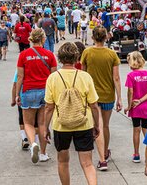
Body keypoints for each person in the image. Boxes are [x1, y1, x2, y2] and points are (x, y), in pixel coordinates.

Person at [44, 42, 101, 185]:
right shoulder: (85, 76)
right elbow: (93, 105)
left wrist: (45, 127)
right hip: (84, 123)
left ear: (60, 58)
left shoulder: (53, 78)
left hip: (61, 125)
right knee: (87, 163)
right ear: (77, 57)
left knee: (63, 161)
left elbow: (49, 107)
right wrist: (96, 124)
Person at [81, 26, 122, 172]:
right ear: (106, 37)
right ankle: (104, 152)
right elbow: (116, 78)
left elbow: (82, 73)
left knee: (96, 125)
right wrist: (119, 98)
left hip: (91, 95)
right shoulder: (112, 54)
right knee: (105, 125)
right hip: (108, 95)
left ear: (93, 37)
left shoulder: (87, 52)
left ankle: (102, 160)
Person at [16, 28, 57, 164]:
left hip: (28, 90)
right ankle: (43, 154)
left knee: (28, 123)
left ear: (31, 39)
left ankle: (33, 143)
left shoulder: (23, 55)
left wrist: (17, 94)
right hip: (45, 91)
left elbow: (20, 77)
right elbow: (53, 77)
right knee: (42, 124)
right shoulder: (50, 55)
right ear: (43, 39)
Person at [125, 51, 147, 164]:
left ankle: (136, 154)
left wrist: (129, 105)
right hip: (146, 106)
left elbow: (130, 91)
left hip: (135, 107)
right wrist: (142, 100)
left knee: (136, 130)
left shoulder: (131, 75)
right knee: (146, 129)